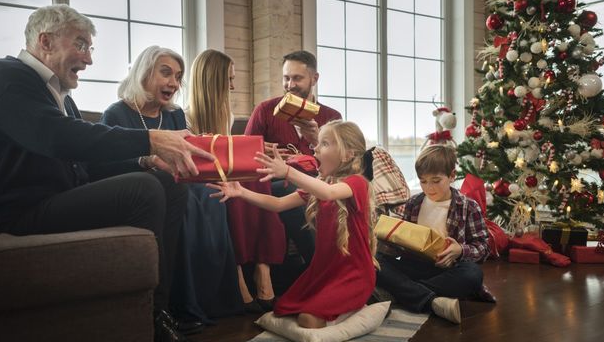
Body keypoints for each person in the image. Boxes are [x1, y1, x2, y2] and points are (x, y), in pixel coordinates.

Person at [0, 4, 214, 342]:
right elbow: (56, 137)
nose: (88, 59)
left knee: (165, 182)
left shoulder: (59, 95)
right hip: (12, 214)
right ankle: (151, 320)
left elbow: (83, 165)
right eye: (82, 45)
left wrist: (144, 160)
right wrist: (148, 140)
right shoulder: (5, 78)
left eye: (90, 48)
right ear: (46, 41)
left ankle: (160, 311)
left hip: (54, 200)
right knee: (145, 189)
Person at [100, 46, 243, 324]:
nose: (173, 83)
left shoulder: (176, 115)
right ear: (143, 73)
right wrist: (149, 160)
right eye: (165, 73)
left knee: (212, 192)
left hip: (184, 184)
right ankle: (181, 304)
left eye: (178, 77)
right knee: (187, 197)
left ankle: (208, 298)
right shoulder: (116, 114)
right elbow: (103, 167)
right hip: (147, 189)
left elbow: (191, 157)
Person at [209, 120, 377, 328]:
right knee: (283, 309)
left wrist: (288, 171)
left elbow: (329, 194)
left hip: (353, 275)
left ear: (347, 154)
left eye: (324, 144)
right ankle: (340, 309)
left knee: (307, 320)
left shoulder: (357, 183)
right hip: (325, 272)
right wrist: (241, 192)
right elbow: (278, 204)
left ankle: (354, 310)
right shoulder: (323, 184)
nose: (315, 148)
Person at [184, 49, 285, 314]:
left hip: (222, 175)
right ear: (212, 80)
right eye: (228, 79)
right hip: (199, 179)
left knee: (258, 177)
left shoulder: (224, 115)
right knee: (234, 188)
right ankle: (238, 273)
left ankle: (263, 269)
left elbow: (227, 157)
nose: (232, 85)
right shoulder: (184, 116)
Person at [244, 50, 342, 272]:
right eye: (286, 78)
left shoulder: (331, 116)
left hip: (318, 181)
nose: (290, 85)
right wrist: (263, 152)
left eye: (297, 78)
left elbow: (342, 164)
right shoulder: (265, 110)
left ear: (314, 79)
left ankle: (322, 269)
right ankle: (322, 269)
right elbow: (246, 154)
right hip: (278, 181)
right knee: (287, 188)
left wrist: (317, 139)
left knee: (303, 188)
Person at [375, 144, 490, 324]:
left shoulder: (468, 206)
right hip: (414, 266)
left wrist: (459, 250)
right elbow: (399, 247)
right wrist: (389, 237)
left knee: (472, 275)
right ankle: (429, 299)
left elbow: (484, 247)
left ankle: (401, 294)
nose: (429, 188)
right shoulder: (413, 203)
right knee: (376, 261)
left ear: (452, 176)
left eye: (436, 181)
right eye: (423, 181)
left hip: (447, 270)